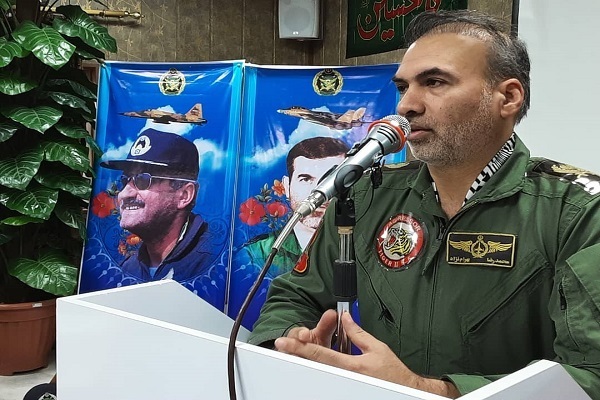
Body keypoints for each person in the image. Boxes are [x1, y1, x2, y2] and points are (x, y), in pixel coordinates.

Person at [249, 9, 600, 399]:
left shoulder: (578, 212)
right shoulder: (367, 195)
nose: (406, 106)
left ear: (508, 97)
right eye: (403, 87)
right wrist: (292, 341)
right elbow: (295, 295)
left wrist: (432, 391)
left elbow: (591, 376)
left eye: (435, 82)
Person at [228, 136, 350, 328]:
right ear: (286, 186)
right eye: (306, 179)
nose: (319, 192)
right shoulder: (254, 254)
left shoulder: (361, 254)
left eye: (331, 179)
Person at [100, 129, 223, 290]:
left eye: (143, 180)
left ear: (184, 195)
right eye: (124, 181)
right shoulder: (128, 268)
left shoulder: (217, 264)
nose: (124, 194)